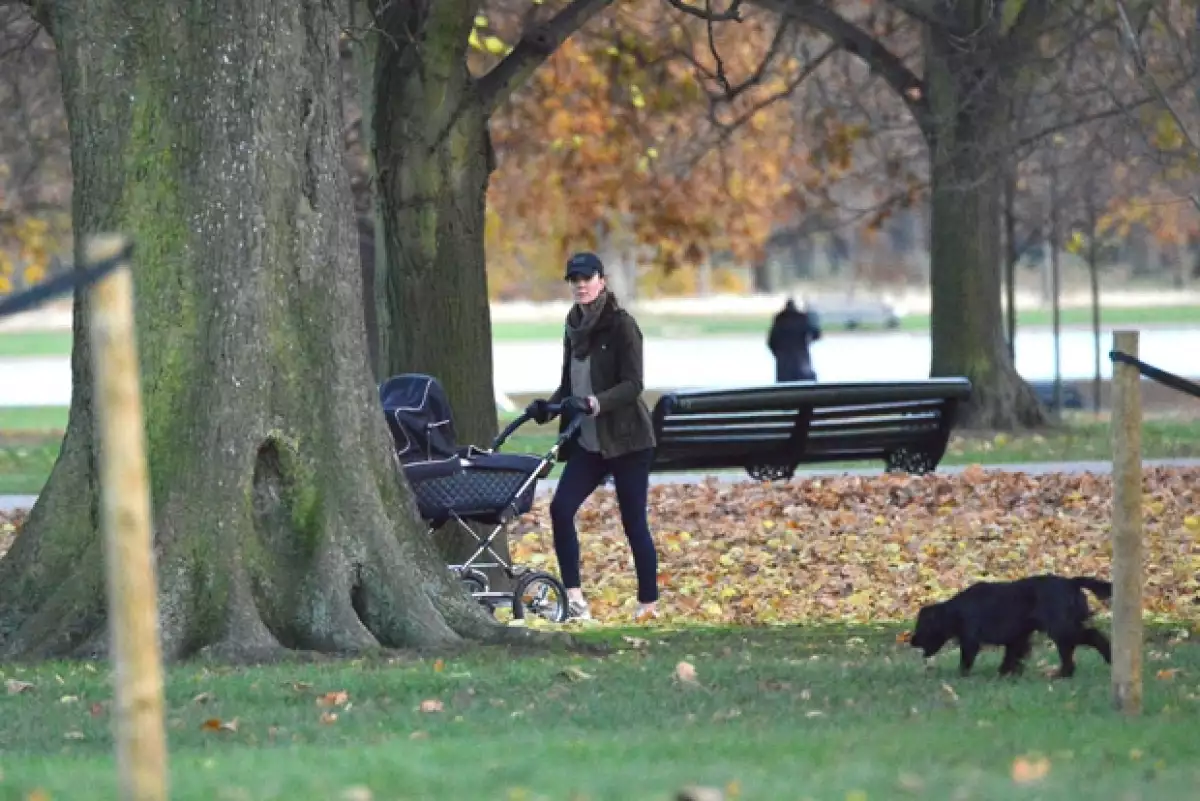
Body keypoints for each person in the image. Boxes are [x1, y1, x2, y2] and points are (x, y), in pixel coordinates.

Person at [525, 252, 659, 622]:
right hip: (588, 443)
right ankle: (574, 598)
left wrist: (597, 403)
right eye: (574, 280)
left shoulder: (622, 325)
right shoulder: (573, 325)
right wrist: (546, 408)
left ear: (601, 280)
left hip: (627, 440)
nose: (580, 285)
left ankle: (649, 603)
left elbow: (634, 385)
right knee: (560, 508)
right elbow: (569, 385)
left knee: (634, 522)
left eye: (587, 278)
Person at [767, 298, 822, 382]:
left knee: (784, 386)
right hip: (801, 357)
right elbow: (816, 335)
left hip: (784, 361)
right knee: (805, 384)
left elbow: (771, 342)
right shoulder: (802, 318)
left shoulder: (779, 320)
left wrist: (778, 354)